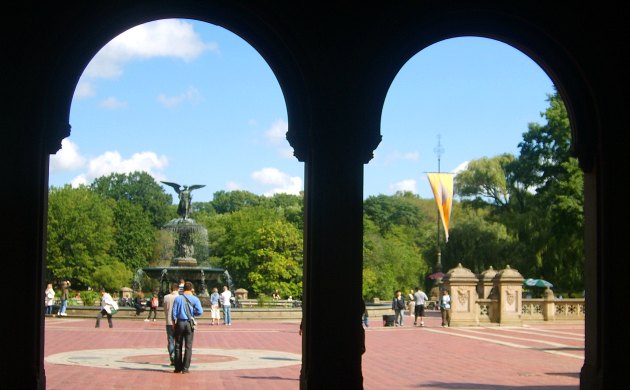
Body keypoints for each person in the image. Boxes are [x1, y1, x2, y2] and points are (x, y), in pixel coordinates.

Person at [171, 282, 203, 373]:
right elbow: (200, 311)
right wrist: (193, 314)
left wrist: (174, 323)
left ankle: (177, 367)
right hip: (189, 323)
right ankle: (185, 368)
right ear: (191, 288)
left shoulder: (178, 298)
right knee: (188, 346)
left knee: (177, 345)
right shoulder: (195, 299)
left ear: (183, 289)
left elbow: (173, 313)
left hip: (180, 322)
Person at [162, 282, 180, 366]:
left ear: (171, 289)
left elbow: (164, 309)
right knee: (178, 341)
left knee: (170, 340)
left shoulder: (166, 297)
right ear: (178, 289)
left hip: (169, 321)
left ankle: (172, 356)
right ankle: (177, 357)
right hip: (178, 322)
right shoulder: (180, 297)